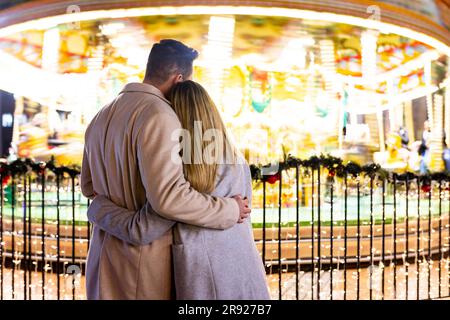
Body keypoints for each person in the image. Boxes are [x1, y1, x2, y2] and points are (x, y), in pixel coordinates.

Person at [81, 40, 251, 300]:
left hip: (103, 253)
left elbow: (89, 186)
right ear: (179, 78)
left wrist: (103, 212)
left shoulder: (100, 115)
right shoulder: (160, 114)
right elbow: (169, 198)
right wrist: (229, 209)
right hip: (143, 264)